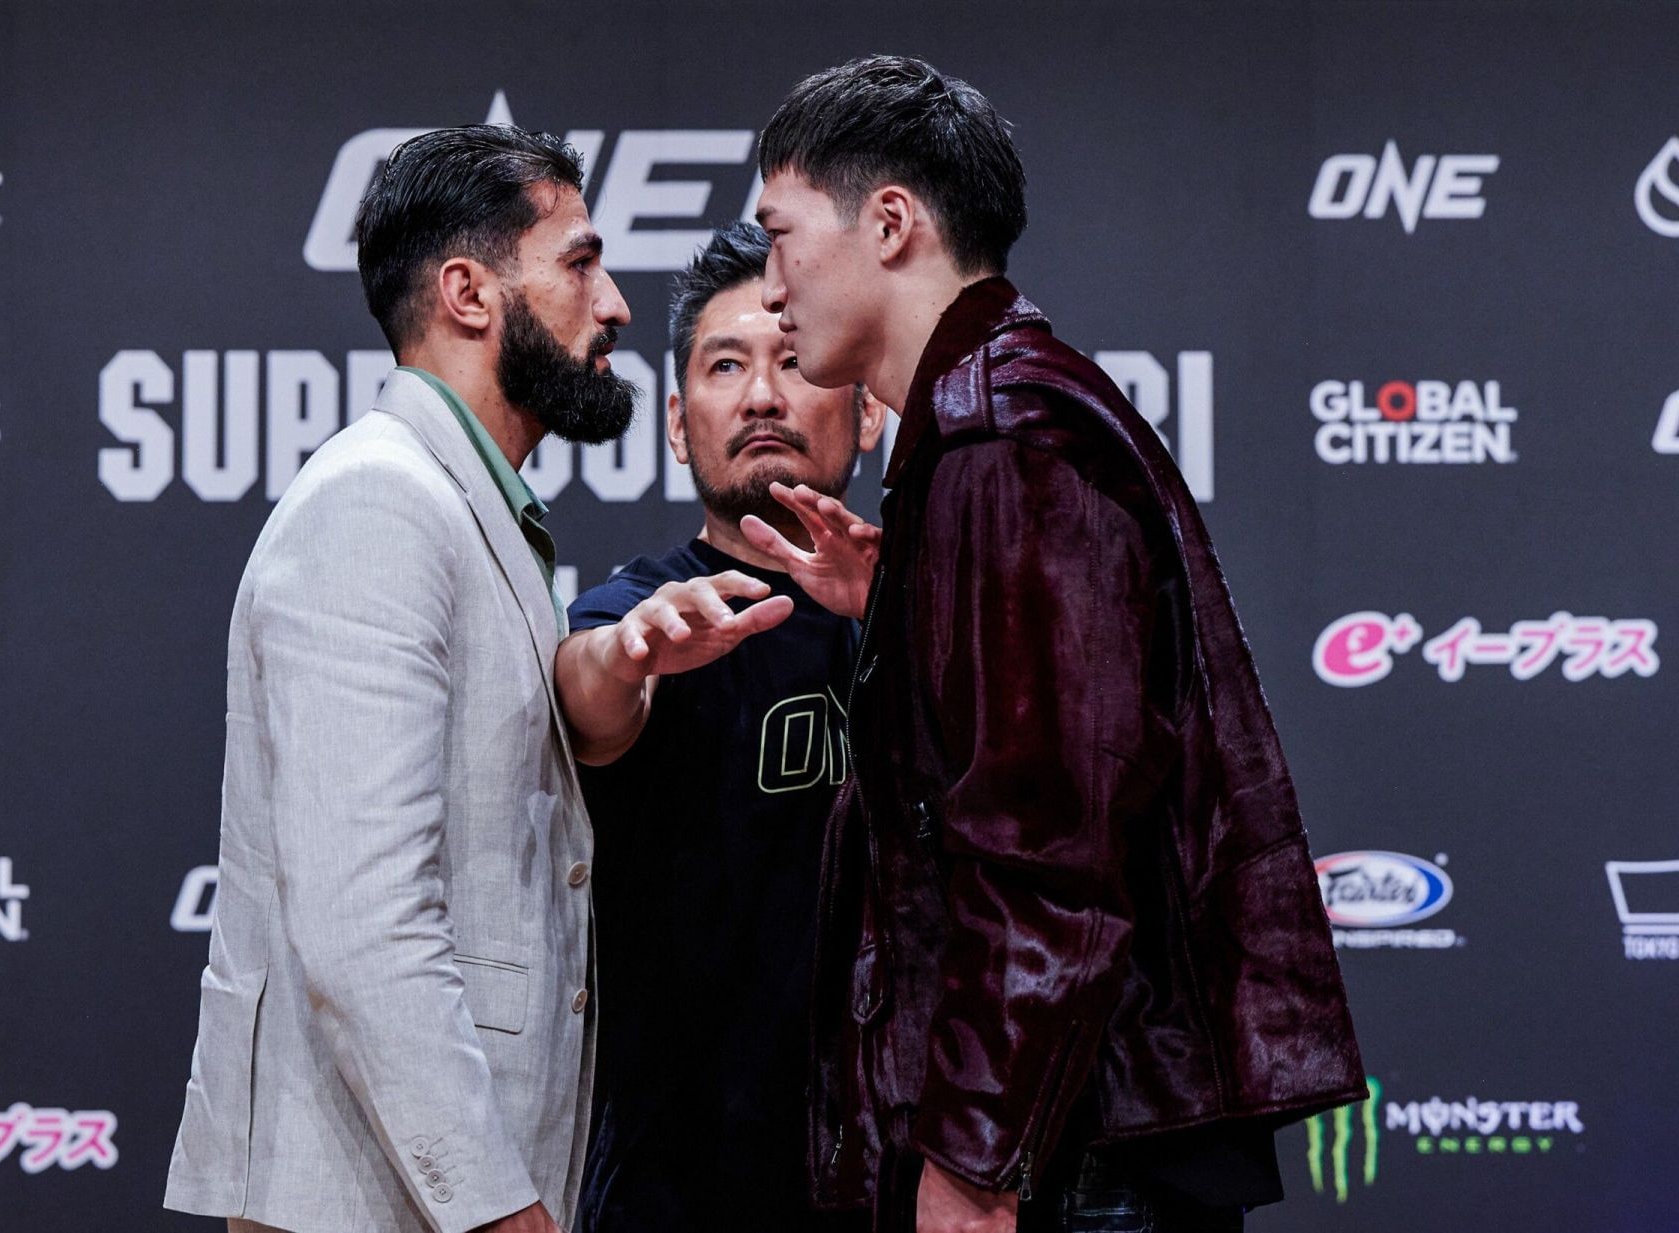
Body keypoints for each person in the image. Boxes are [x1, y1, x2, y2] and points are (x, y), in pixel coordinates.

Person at [743, 55, 1368, 1233]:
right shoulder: (996, 430)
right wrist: (917, 604)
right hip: (1077, 1148)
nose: (772, 288)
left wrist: (975, 1164)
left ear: (890, 224)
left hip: (1068, 1168)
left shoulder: (1001, 442)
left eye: (780, 235)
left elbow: (1048, 864)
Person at [165, 124, 642, 1233]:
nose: (614, 303)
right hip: (373, 1200)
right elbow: (363, 918)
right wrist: (494, 1205)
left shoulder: (463, 503)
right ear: (470, 293)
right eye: (579, 262)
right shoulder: (380, 505)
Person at [554, 222, 884, 1233]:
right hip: (677, 1191)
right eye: (725, 364)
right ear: (674, 418)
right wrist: (624, 657)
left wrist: (906, 617)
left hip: (904, 1183)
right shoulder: (637, 612)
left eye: (793, 360)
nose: (761, 396)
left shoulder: (937, 612)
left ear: (868, 410)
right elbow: (587, 693)